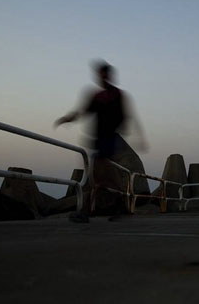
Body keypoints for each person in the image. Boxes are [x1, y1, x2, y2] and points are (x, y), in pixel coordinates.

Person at [55, 60, 143, 222]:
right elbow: (83, 111)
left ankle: (87, 211)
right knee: (102, 176)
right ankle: (118, 206)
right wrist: (67, 118)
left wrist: (138, 136)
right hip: (99, 139)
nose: (101, 78)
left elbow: (128, 116)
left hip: (108, 139)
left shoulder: (116, 95)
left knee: (98, 175)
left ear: (108, 76)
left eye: (104, 75)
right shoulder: (97, 96)